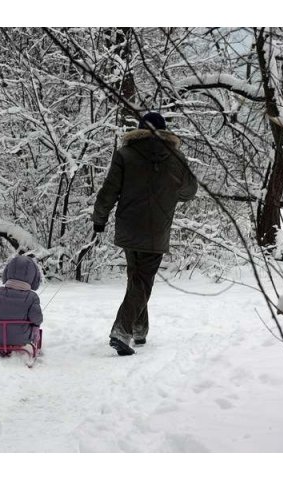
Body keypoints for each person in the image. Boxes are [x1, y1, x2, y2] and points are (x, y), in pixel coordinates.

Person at [92, 111, 198, 356]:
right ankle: (122, 330)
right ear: (164, 132)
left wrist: (100, 218)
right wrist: (171, 194)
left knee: (137, 277)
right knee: (142, 279)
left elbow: (110, 190)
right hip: (157, 227)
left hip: (129, 224)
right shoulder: (176, 157)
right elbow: (190, 191)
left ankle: (139, 328)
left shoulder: (125, 155)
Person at [0, 254, 43, 349]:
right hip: (22, 338)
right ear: (33, 276)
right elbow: (36, 317)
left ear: (8, 271)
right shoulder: (32, 297)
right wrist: (36, 325)